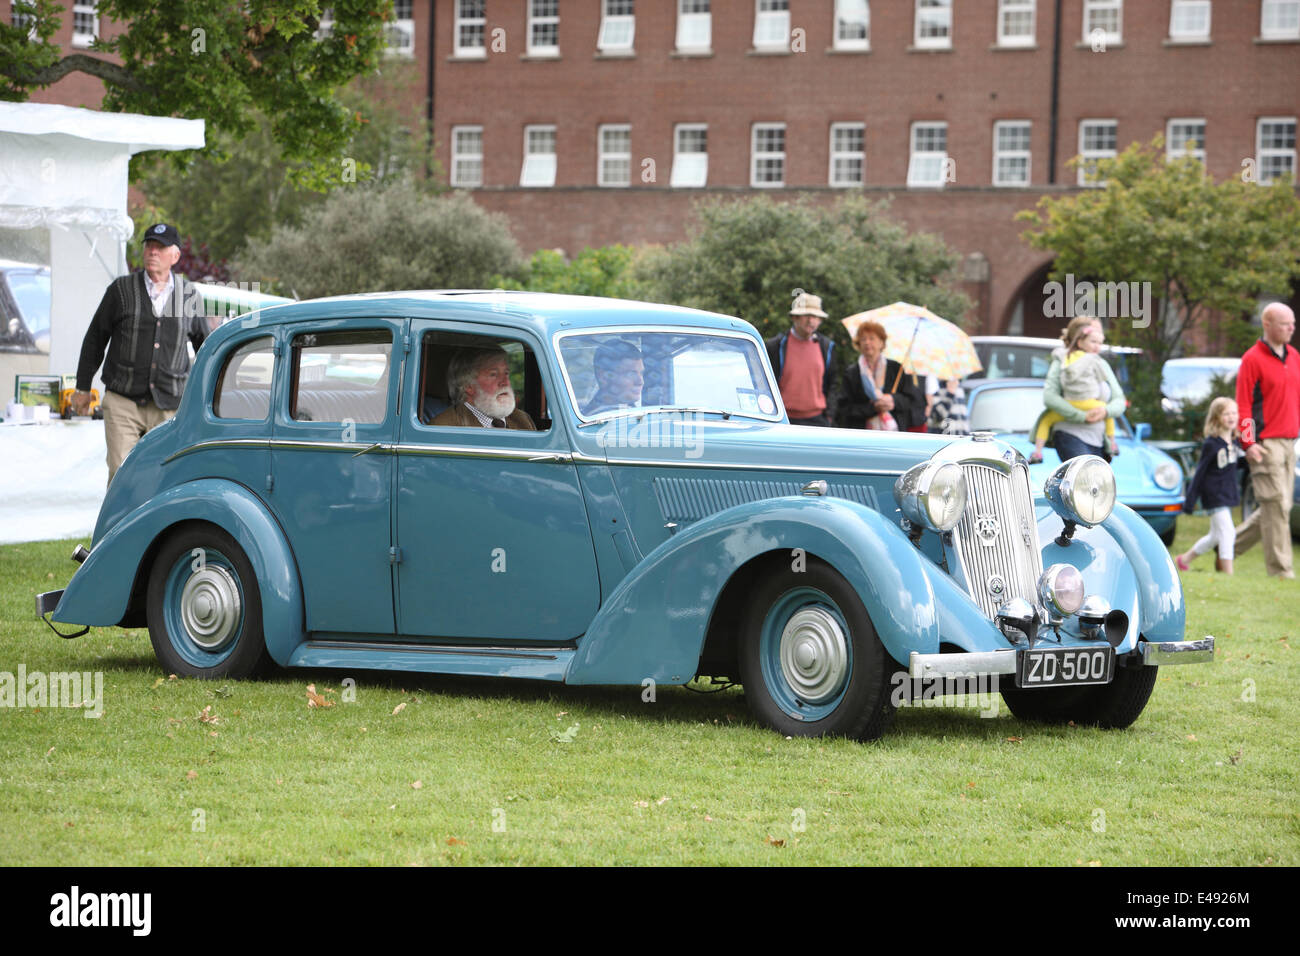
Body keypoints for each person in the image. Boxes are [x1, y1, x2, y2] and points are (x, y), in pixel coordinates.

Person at [74, 223, 207, 484]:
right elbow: (95, 339)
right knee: (122, 475)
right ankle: (119, 526)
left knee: (165, 477)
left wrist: (204, 397)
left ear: (175, 256)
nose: (153, 252)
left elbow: (206, 348)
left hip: (169, 407)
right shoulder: (120, 291)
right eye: (149, 245)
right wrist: (82, 387)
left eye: (160, 247)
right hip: (123, 401)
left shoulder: (189, 295)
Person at [1232, 302, 1300, 578]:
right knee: (1275, 506)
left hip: (1290, 442)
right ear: (1268, 325)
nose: (1291, 328)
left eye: (1293, 323)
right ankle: (1282, 572)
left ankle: (1226, 547)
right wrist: (1249, 443)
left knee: (1279, 506)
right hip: (1265, 444)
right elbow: (1244, 405)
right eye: (1286, 324)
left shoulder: (1294, 355)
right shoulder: (1252, 359)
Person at [1033, 316, 1125, 463]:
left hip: (1099, 440)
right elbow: (1049, 397)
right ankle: (1037, 453)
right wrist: (1081, 416)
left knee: (1098, 484)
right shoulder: (1063, 359)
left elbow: (1119, 400)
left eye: (1100, 335)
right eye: (1093, 335)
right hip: (1070, 435)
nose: (1098, 340)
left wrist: (1106, 411)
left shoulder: (1101, 363)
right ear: (1079, 338)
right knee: (1083, 481)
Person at [1176, 397, 1243, 575]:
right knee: (1228, 533)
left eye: (1234, 413)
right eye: (1226, 413)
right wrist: (1190, 501)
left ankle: (1184, 560)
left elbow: (1235, 465)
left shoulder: (1235, 442)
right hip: (1213, 494)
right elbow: (1199, 474)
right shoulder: (1211, 444)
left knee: (1215, 536)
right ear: (1216, 418)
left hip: (1226, 493)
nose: (1231, 417)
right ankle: (1229, 574)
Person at [835, 320, 925, 431]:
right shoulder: (852, 372)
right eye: (863, 339)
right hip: (861, 433)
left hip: (894, 432)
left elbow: (912, 400)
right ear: (859, 344)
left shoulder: (896, 368)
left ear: (881, 343)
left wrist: (893, 400)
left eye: (872, 338)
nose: (867, 342)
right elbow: (843, 408)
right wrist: (872, 408)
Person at [766, 292, 836, 426]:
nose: (811, 321)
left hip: (818, 420)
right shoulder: (776, 345)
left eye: (815, 316)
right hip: (783, 419)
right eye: (806, 316)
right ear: (795, 318)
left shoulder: (827, 347)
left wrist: (829, 416)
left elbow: (832, 384)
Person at [431, 346, 536, 429]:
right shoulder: (444, 426)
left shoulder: (523, 420)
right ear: (468, 385)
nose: (505, 382)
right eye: (493, 374)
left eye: (506, 373)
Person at [584, 339, 644, 415]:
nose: (640, 382)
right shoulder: (593, 419)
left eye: (641, 373)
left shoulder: (634, 412)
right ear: (603, 377)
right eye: (631, 374)